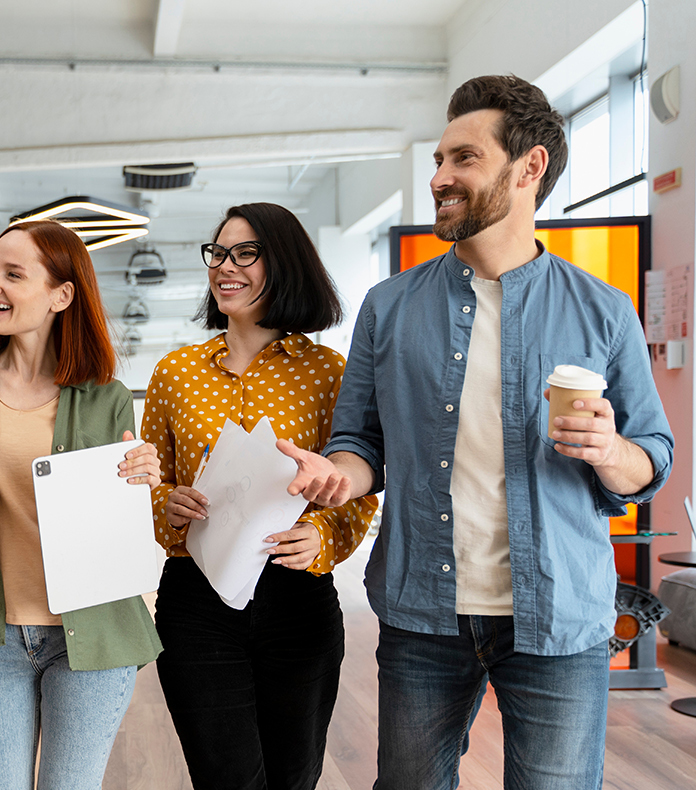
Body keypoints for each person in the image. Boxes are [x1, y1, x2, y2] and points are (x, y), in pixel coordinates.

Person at [284, 75, 674, 789]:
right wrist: (338, 474)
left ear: (530, 167)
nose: (439, 177)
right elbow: (361, 441)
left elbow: (652, 457)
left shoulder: (604, 310)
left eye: (464, 158)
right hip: (422, 614)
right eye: (439, 159)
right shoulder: (389, 306)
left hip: (559, 617)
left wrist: (612, 452)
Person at [0, 220, 164, 790]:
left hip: (92, 633)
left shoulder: (106, 398)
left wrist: (142, 480)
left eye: (13, 274)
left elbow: (117, 517)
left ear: (61, 296)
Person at [140, 202, 379, 789]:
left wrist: (320, 535)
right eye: (218, 253)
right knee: (225, 778)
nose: (226, 266)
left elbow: (357, 486)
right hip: (196, 600)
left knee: (293, 777)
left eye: (246, 253)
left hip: (297, 598)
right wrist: (167, 503)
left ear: (285, 264)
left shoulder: (329, 373)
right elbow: (150, 483)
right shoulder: (175, 373)